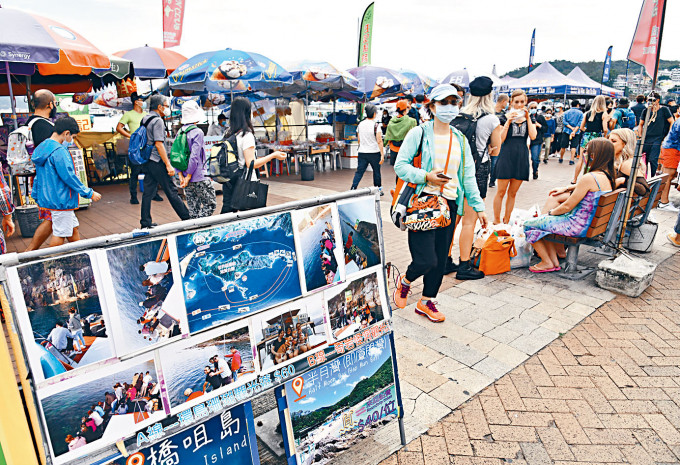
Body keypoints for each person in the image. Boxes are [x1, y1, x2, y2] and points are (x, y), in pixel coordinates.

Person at [394, 84, 488, 323]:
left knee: (441, 260)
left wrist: (478, 207)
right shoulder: (420, 133)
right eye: (443, 103)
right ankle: (405, 280)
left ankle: (426, 302)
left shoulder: (460, 139)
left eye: (454, 102)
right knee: (426, 260)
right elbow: (400, 166)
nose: (449, 107)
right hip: (423, 202)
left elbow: (468, 177)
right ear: (432, 106)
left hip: (450, 204)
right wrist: (426, 176)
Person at [523, 138, 614, 272]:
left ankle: (547, 262)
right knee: (542, 224)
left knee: (529, 224)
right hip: (587, 225)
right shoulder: (608, 176)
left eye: (587, 152)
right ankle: (553, 262)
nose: (584, 154)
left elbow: (567, 206)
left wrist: (550, 214)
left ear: (595, 155)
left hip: (575, 226)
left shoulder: (589, 177)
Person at [445, 76, 500, 279]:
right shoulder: (491, 120)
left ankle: (445, 260)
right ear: (489, 95)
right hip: (477, 173)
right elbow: (495, 151)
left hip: (455, 172)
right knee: (469, 222)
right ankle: (464, 266)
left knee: (453, 220)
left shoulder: (458, 116)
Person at [32, 117, 102, 247]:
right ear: (66, 133)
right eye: (72, 137)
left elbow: (38, 177)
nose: (72, 140)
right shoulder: (59, 151)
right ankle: (53, 263)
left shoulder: (43, 148)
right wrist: (88, 192)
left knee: (72, 228)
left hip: (51, 198)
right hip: (61, 199)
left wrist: (36, 195)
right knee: (60, 233)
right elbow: (69, 176)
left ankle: (79, 253)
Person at [220, 97, 286, 213]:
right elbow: (251, 163)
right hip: (246, 183)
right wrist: (273, 155)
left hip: (230, 181)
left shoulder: (229, 133)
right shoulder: (246, 135)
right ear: (246, 113)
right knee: (254, 217)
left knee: (227, 217)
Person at [139, 95, 191, 229]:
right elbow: (159, 144)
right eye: (166, 106)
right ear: (160, 107)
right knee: (171, 190)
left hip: (147, 160)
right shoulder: (158, 121)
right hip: (157, 160)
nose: (167, 108)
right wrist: (168, 164)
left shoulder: (145, 119)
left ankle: (145, 222)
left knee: (148, 191)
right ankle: (187, 218)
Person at [493, 90, 537, 224]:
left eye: (522, 102)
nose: (519, 105)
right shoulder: (503, 117)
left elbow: (533, 136)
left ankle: (506, 220)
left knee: (512, 193)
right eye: (516, 102)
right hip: (506, 155)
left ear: (526, 102)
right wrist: (508, 121)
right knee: (500, 192)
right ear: (511, 102)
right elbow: (500, 139)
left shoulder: (530, 118)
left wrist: (528, 118)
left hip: (521, 156)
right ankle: (496, 220)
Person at [177, 101, 216, 219]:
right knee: (210, 204)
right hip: (198, 176)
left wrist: (182, 177)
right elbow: (194, 157)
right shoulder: (197, 132)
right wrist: (189, 176)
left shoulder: (180, 132)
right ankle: (200, 226)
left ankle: (194, 230)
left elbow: (176, 155)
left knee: (194, 209)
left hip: (185, 178)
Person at [116, 93, 151, 205]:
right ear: (136, 102)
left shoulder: (146, 114)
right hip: (135, 147)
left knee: (149, 170)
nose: (144, 102)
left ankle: (152, 194)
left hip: (146, 145)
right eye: (142, 100)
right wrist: (130, 136)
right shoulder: (129, 114)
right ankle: (133, 196)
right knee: (135, 172)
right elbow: (119, 127)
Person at [573, 96, 610, 184]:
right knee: (593, 160)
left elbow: (581, 127)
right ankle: (588, 179)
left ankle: (574, 179)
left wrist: (588, 131)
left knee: (581, 159)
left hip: (586, 136)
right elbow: (605, 129)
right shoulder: (604, 114)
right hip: (597, 137)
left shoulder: (587, 113)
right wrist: (605, 136)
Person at [638, 92, 675, 177]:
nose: (650, 102)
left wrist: (668, 136)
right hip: (646, 138)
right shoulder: (646, 110)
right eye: (649, 100)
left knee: (653, 159)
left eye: (653, 100)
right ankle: (644, 176)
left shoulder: (664, 109)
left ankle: (652, 176)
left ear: (658, 100)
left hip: (658, 137)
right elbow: (640, 124)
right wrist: (640, 136)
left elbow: (671, 121)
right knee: (644, 159)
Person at [351, 104, 384, 194]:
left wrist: (363, 146)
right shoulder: (376, 125)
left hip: (362, 152)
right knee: (376, 172)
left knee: (359, 172)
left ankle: (353, 187)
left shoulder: (360, 124)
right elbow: (379, 141)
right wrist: (382, 154)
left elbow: (359, 139)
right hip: (374, 152)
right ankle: (378, 190)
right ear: (374, 114)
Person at [383, 100, 416, 166]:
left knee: (397, 168)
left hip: (393, 148)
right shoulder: (412, 121)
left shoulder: (391, 121)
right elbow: (414, 137)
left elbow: (387, 136)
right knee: (405, 169)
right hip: (406, 149)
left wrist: (384, 144)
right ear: (406, 109)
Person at [658, 116, 680, 211]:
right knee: (668, 175)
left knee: (669, 175)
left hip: (674, 148)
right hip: (672, 148)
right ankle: (663, 202)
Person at [490, 94, 509, 188]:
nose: (507, 104)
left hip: (499, 141)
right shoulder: (490, 111)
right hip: (488, 140)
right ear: (503, 101)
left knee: (495, 161)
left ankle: (492, 180)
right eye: (507, 101)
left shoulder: (505, 114)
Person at [561, 100, 584, 165]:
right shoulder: (580, 113)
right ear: (577, 105)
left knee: (563, 146)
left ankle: (561, 158)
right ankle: (571, 160)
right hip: (576, 132)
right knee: (573, 146)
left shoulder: (566, 112)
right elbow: (580, 123)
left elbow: (564, 122)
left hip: (566, 131)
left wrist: (571, 128)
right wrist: (574, 130)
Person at [528, 101, 547, 179]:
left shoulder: (540, 117)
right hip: (526, 140)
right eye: (531, 108)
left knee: (535, 158)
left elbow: (545, 129)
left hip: (537, 140)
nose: (533, 109)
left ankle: (535, 171)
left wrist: (539, 125)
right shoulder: (526, 117)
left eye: (535, 108)